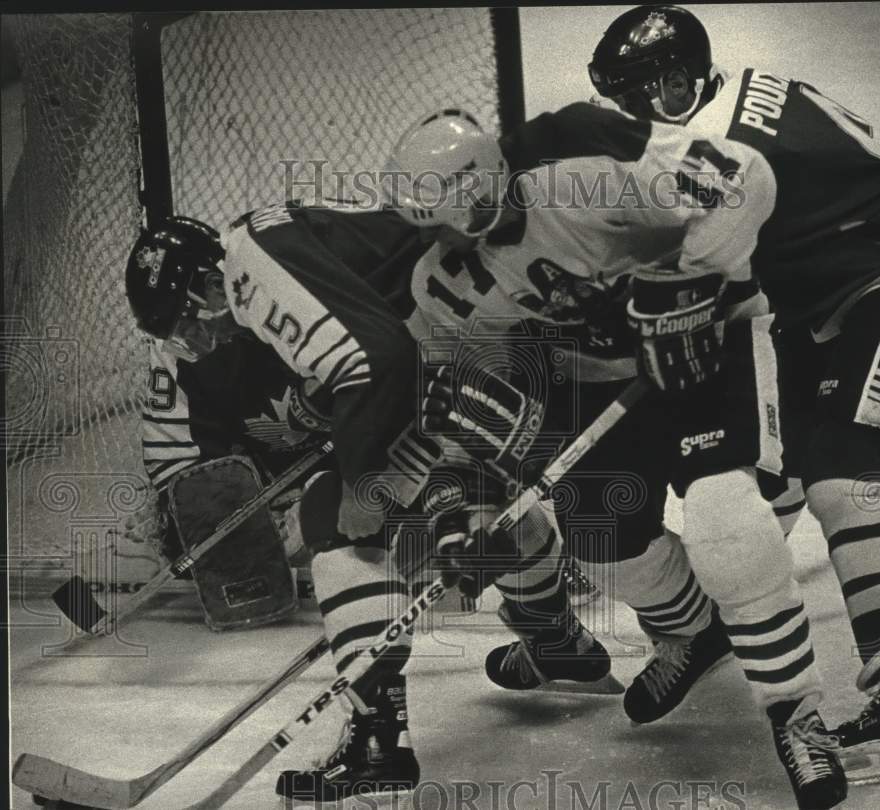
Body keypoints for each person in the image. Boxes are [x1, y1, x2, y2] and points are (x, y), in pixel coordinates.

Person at [388, 108, 846, 809]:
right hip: (600, 382)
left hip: (712, 345)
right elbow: (466, 405)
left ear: (475, 197)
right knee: (604, 544)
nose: (436, 237)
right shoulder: (445, 283)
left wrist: (688, 287)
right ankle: (697, 633)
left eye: (441, 218)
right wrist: (464, 514)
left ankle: (795, 712)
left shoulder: (580, 181)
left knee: (725, 517)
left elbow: (742, 178)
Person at [588, 3, 880, 785]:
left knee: (843, 463)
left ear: (674, 85)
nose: (623, 114)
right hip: (844, 277)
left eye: (633, 96)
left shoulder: (710, 150)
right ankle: (719, 623)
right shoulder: (721, 97)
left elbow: (701, 282)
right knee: (770, 471)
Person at [124, 202, 609, 805]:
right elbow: (368, 342)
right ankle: (554, 634)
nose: (200, 341)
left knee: (339, 516)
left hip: (458, 359)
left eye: (189, 324)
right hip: (484, 346)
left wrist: (358, 483)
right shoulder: (272, 254)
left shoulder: (253, 272)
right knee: (476, 507)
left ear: (206, 282)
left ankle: (376, 742)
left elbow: (373, 361)